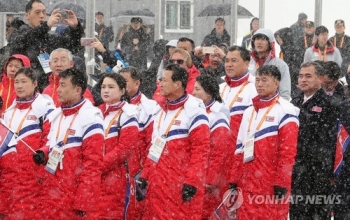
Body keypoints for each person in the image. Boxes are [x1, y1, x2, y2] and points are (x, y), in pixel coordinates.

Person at [139, 64, 210, 219]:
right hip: (158, 183)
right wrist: (145, 174)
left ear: (178, 84)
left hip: (179, 185)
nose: (160, 84)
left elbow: (201, 151)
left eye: (164, 80)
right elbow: (154, 146)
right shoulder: (161, 111)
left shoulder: (194, 113)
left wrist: (192, 182)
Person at [229, 65, 299, 219]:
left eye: (264, 80)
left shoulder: (286, 111)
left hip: (270, 182)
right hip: (247, 180)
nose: (259, 84)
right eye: (258, 80)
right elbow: (240, 148)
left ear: (276, 83)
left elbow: (287, 153)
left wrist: (281, 182)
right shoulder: (249, 111)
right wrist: (234, 178)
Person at [33, 68, 104, 219]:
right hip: (52, 190)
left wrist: (83, 201)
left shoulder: (91, 117)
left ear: (78, 90)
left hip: (72, 195)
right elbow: (54, 144)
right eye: (58, 85)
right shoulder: (57, 115)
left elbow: (93, 165)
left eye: (63, 85)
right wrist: (44, 152)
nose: (58, 90)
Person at [2, 67, 54, 219]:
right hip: (10, 178)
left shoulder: (45, 109)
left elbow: (51, 138)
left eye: (24, 81)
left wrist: (41, 158)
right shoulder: (8, 113)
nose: (19, 86)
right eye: (16, 82)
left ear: (35, 83)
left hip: (34, 176)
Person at [290, 62, 338, 220]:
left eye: (308, 76)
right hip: (295, 170)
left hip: (317, 172)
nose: (303, 79)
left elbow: (331, 141)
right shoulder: (293, 103)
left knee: (315, 214)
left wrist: (327, 170)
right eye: (300, 76)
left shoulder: (329, 105)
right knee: (296, 212)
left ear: (321, 79)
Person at [10, 0, 84, 92]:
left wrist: (75, 28)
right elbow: (24, 40)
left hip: (48, 88)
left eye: (44, 12)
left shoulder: (48, 38)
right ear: (27, 16)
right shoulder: (19, 33)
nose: (41, 15)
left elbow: (72, 46)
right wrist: (46, 26)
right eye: (37, 12)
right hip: (27, 89)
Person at [97, 73, 140, 219]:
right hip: (95, 177)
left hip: (116, 178)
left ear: (122, 91)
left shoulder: (128, 114)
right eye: (103, 87)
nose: (106, 91)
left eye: (111, 87)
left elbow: (125, 148)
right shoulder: (96, 113)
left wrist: (98, 166)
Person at [192, 74, 233, 219]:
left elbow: (219, 152)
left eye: (197, 89)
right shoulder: (197, 113)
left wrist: (211, 180)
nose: (193, 93)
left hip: (210, 179)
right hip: (197, 174)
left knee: (207, 213)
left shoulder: (218, 117)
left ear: (209, 92)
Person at [119, 67, 156, 167]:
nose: (120, 84)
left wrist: (146, 170)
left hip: (138, 169)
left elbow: (152, 143)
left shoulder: (149, 108)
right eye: (118, 81)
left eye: (125, 81)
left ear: (137, 83)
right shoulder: (110, 106)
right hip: (116, 168)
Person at [220, 46, 257, 145]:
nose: (229, 65)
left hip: (239, 149)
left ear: (246, 64)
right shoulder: (219, 87)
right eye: (227, 61)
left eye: (234, 60)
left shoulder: (255, 88)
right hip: (219, 149)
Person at [248, 28, 291, 100]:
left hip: (271, 106)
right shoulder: (248, 63)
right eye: (257, 39)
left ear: (270, 43)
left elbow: (284, 93)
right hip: (250, 105)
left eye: (263, 39)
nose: (259, 42)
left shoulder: (280, 65)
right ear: (253, 42)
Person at [274, 27, 304, 98]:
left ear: (285, 37)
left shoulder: (293, 50)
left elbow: (296, 67)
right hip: (287, 81)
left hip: (293, 83)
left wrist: (296, 81)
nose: (278, 40)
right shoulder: (284, 49)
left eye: (279, 37)